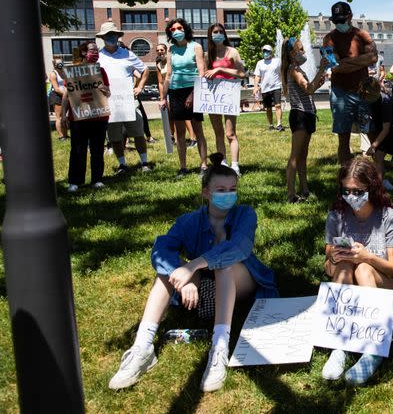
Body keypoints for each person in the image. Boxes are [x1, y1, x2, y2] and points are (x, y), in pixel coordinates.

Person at [108, 153, 277, 392]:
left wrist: (193, 264)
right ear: (206, 193)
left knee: (222, 264)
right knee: (165, 274)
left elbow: (239, 247)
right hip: (203, 283)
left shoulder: (245, 214)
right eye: (221, 189)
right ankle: (143, 346)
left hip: (240, 277)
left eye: (232, 189)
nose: (228, 195)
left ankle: (219, 347)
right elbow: (161, 249)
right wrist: (183, 276)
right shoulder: (188, 221)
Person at [322, 157, 393, 384]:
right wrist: (335, 256)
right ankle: (341, 345)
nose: (351, 197)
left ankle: (375, 348)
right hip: (348, 286)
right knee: (345, 266)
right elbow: (328, 253)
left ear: (371, 188)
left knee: (364, 268)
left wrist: (368, 256)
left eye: (358, 191)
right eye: (346, 191)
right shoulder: (337, 214)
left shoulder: (388, 217)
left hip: (380, 285)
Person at [323, 2, 378, 164]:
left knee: (370, 132)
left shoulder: (363, 35)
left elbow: (373, 58)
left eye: (342, 20)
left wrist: (345, 62)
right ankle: (345, 174)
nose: (339, 24)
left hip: (363, 92)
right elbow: (335, 67)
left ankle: (377, 173)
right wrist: (361, 61)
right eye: (336, 21)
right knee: (343, 137)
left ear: (350, 17)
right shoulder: (328, 39)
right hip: (340, 93)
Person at [96, 21, 151, 174]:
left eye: (113, 34)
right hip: (109, 102)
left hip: (128, 101)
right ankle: (122, 165)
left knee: (138, 131)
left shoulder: (127, 54)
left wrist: (139, 87)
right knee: (114, 135)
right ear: (102, 37)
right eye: (108, 35)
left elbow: (145, 69)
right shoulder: (98, 57)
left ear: (117, 36)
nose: (111, 37)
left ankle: (144, 162)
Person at [281, 36, 328, 202]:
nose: (304, 52)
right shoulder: (293, 70)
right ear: (291, 54)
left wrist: (318, 83)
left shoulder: (299, 70)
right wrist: (321, 69)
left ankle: (304, 189)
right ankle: (291, 194)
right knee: (295, 156)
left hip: (307, 114)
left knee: (303, 156)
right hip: (300, 115)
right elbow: (308, 89)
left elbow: (310, 89)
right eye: (300, 50)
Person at [160, 18, 208, 176]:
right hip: (175, 92)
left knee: (197, 130)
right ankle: (183, 167)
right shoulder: (171, 49)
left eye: (179, 28)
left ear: (185, 29)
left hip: (192, 89)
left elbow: (201, 73)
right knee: (180, 132)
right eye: (172, 29)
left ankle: (203, 166)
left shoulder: (196, 46)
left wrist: (193, 94)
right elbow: (168, 75)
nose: (176, 31)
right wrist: (163, 97)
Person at [63, 41, 110, 192]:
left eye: (97, 50)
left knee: (97, 149)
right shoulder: (73, 71)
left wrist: (105, 90)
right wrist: (63, 114)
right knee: (77, 149)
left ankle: (97, 179)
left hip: (99, 117)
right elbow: (66, 94)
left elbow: (108, 93)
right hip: (78, 117)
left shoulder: (100, 71)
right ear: (84, 52)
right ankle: (75, 181)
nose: (95, 53)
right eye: (92, 50)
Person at [205, 24, 246, 175]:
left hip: (229, 95)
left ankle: (235, 166)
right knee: (218, 133)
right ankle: (222, 163)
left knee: (230, 133)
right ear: (210, 35)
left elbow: (242, 73)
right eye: (215, 32)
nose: (218, 34)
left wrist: (221, 69)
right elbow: (203, 73)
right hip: (213, 97)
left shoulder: (232, 51)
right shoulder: (208, 54)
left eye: (221, 32)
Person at [359, 77, 393, 179]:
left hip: (389, 133)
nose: (364, 98)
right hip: (378, 129)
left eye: (366, 95)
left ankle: (379, 186)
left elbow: (386, 129)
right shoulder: (371, 100)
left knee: (378, 157)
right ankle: (382, 181)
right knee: (376, 157)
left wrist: (374, 146)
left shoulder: (385, 101)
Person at [253, 44, 284, 131]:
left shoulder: (278, 61)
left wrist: (284, 84)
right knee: (268, 108)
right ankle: (271, 124)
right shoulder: (260, 63)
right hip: (265, 88)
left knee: (278, 105)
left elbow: (282, 72)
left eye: (267, 51)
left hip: (276, 86)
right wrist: (255, 87)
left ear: (271, 52)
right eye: (264, 51)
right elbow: (257, 76)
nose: (265, 53)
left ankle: (279, 124)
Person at [48, 60, 69, 141]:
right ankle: (61, 136)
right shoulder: (53, 74)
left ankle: (66, 135)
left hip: (65, 95)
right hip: (57, 96)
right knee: (59, 117)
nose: (61, 64)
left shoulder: (64, 72)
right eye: (58, 63)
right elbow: (56, 88)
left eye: (61, 62)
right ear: (55, 64)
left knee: (65, 116)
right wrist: (65, 94)